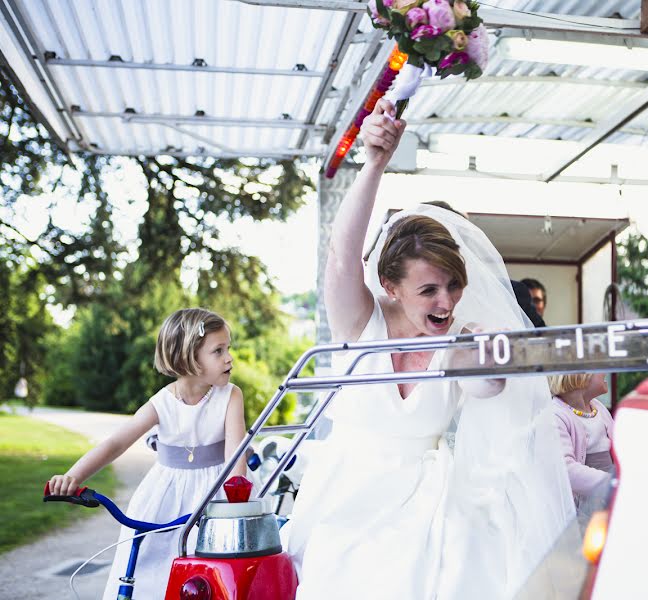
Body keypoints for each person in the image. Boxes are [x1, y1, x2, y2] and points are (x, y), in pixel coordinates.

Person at [283, 98, 575, 600]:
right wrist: (374, 163)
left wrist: (488, 354)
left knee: (456, 564)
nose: (446, 302)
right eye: (429, 291)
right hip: (348, 487)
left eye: (454, 285)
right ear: (391, 287)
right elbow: (341, 252)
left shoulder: (465, 333)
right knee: (341, 565)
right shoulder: (359, 319)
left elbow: (488, 384)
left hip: (427, 496)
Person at [47, 308, 247, 600]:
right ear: (189, 357)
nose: (229, 357)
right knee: (149, 569)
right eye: (219, 351)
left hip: (216, 494)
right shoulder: (161, 403)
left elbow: (235, 455)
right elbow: (115, 443)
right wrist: (73, 476)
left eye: (228, 348)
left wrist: (235, 499)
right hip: (165, 497)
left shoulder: (230, 395)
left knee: (212, 576)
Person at [548, 373, 614, 513]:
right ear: (580, 375)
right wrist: (611, 483)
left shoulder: (599, 408)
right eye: (599, 367)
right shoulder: (556, 415)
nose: (605, 371)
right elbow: (566, 470)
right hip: (585, 508)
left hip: (611, 496)